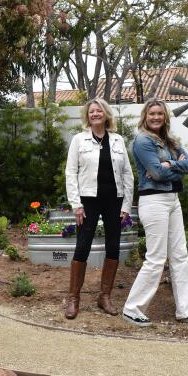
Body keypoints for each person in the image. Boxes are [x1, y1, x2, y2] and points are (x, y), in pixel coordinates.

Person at [122, 99, 188, 327]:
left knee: (179, 256)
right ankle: (132, 308)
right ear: (145, 117)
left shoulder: (170, 141)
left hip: (173, 201)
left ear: (165, 117)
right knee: (156, 258)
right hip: (154, 201)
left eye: (160, 113)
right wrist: (171, 166)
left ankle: (187, 310)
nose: (156, 117)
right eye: (152, 114)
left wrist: (168, 165)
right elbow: (156, 175)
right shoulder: (142, 140)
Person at [64, 98, 134, 319]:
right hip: (88, 200)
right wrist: (76, 204)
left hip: (114, 200)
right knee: (82, 246)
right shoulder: (79, 140)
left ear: (106, 114)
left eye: (99, 110)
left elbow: (127, 174)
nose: (95, 114)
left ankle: (104, 296)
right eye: (92, 111)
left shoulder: (117, 140)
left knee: (113, 247)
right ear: (88, 116)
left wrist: (126, 205)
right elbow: (70, 173)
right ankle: (73, 298)